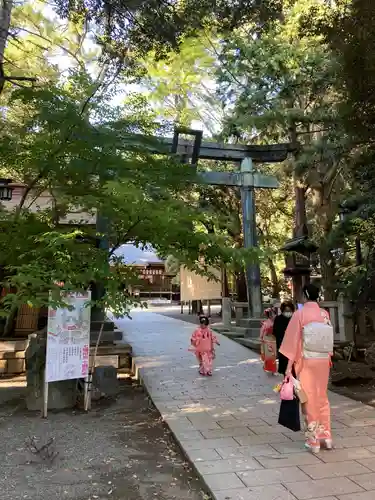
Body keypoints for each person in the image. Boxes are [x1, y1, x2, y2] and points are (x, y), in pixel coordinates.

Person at [279, 284, 333, 453]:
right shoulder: (324, 314)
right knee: (322, 396)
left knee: (308, 398)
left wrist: (288, 368)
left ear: (304, 295)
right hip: (323, 360)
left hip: (307, 361)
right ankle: (326, 436)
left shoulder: (299, 314)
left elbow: (292, 342)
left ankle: (314, 440)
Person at [273, 301, 295, 375]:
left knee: (293, 368)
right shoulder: (278, 319)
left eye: (290, 311)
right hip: (282, 347)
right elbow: (275, 332)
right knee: (284, 367)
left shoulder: (294, 319)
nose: (288, 312)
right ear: (282, 311)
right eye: (286, 311)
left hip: (293, 347)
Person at [260, 307, 277, 374]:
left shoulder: (271, 322)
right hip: (269, 339)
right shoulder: (267, 323)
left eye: (273, 314)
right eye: (271, 314)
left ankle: (271, 368)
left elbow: (262, 331)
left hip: (271, 339)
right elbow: (262, 331)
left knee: (272, 354)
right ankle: (268, 367)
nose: (273, 315)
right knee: (270, 355)